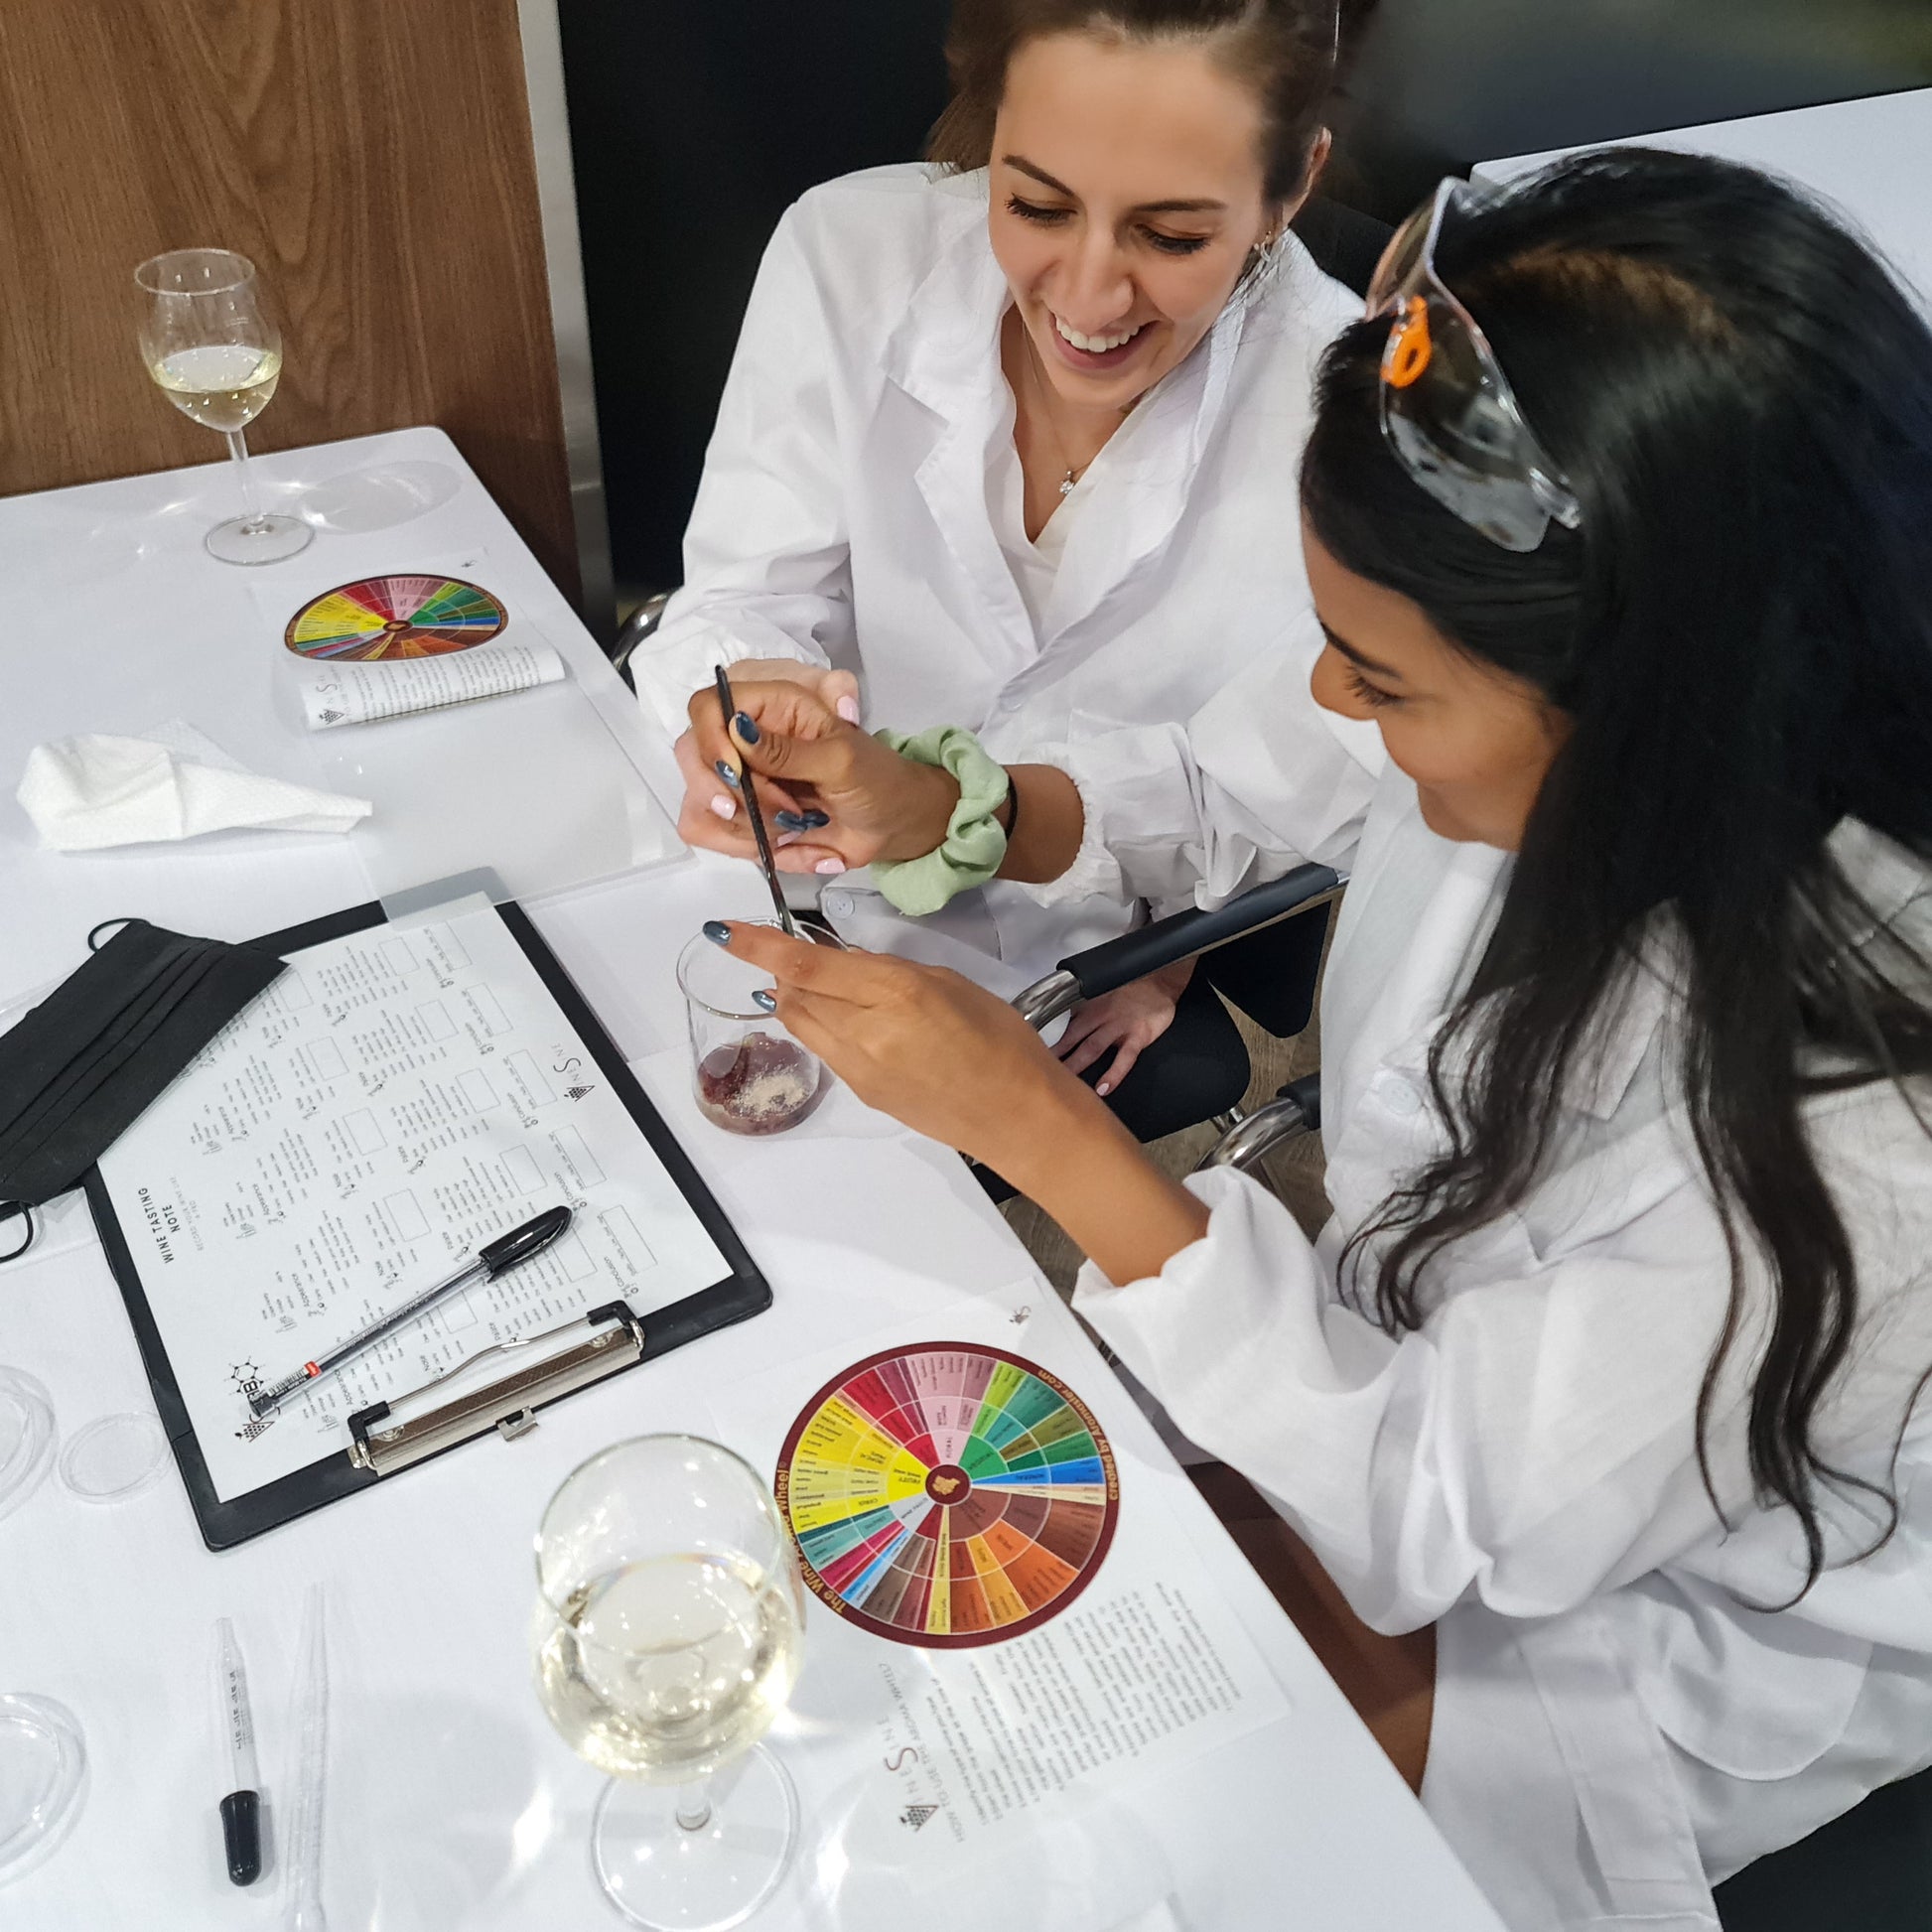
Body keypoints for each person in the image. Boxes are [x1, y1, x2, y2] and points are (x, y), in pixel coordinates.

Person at [697, 148, 1932, 1929]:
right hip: (1421, 1377)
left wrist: (1052, 1137)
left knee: (1073, 1788)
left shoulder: (1861, 1121)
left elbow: (1441, 1510)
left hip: (1663, 1627)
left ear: (1669, 707)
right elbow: (1223, 775)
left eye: (1387, 677)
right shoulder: (1549, 683)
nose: (1338, 699)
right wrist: (932, 801)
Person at [634, 0, 1379, 1109]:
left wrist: (975, 826)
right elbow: (741, 591)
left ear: (1293, 185)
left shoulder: (1354, 420)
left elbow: (1282, 798)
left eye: (1171, 236)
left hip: (1071, 955)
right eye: (1032, 203)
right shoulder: (848, 253)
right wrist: (747, 696)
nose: (1084, 298)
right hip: (778, 880)